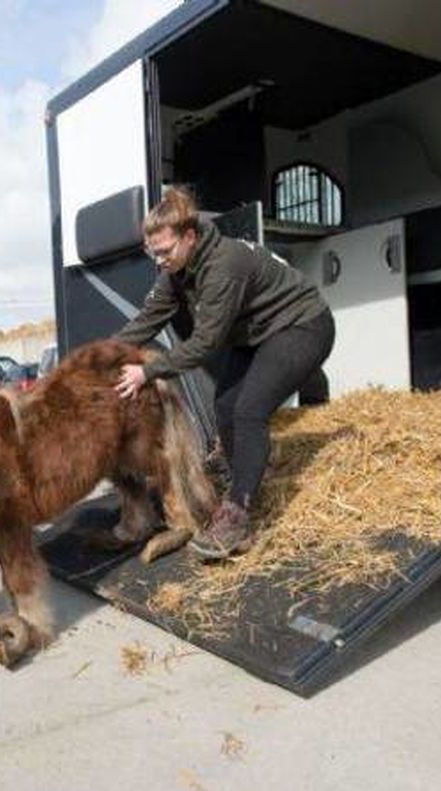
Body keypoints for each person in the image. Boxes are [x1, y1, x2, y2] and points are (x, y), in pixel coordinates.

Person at [114, 186, 335, 560]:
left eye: (165, 251)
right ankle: (250, 480)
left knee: (249, 410)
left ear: (189, 236)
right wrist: (101, 355)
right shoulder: (176, 271)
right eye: (153, 253)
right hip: (258, 333)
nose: (159, 260)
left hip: (302, 325)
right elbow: (147, 320)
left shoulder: (224, 266)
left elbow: (204, 344)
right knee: (225, 407)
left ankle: (237, 517)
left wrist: (146, 372)